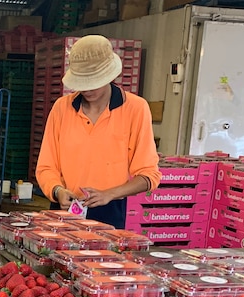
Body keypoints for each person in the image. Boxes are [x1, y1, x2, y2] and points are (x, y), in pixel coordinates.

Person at [36, 35, 161, 228]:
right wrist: (57, 190)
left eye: (94, 81)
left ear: (110, 75)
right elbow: (46, 167)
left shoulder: (136, 109)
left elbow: (148, 175)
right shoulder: (62, 108)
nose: (87, 89)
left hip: (110, 212)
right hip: (64, 210)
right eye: (82, 83)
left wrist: (109, 194)